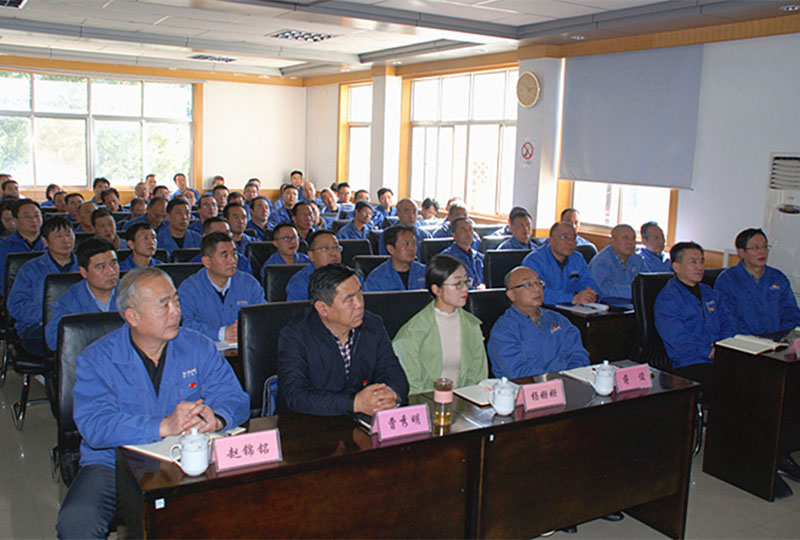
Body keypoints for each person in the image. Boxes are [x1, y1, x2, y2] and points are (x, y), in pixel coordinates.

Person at [56, 267, 250, 538]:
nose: (176, 312)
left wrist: (217, 418)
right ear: (132, 317)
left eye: (176, 301)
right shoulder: (97, 359)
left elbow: (235, 398)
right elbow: (96, 425)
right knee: (76, 524)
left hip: (188, 457)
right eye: (164, 305)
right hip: (115, 464)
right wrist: (162, 426)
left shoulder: (198, 346)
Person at [277, 263, 409, 416]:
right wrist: (354, 403)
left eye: (360, 294)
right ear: (323, 308)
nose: (359, 304)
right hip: (308, 422)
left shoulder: (373, 325)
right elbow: (296, 397)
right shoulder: (294, 336)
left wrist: (390, 395)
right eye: (349, 299)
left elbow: (395, 374)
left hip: (361, 418)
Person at [392, 254, 487, 394]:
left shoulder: (472, 325)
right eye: (457, 284)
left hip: (465, 401)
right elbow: (412, 387)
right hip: (426, 402)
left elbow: (478, 377)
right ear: (436, 289)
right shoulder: (413, 332)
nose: (465, 289)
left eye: (466, 282)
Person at [654, 241, 736, 389]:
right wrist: (708, 351)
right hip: (690, 362)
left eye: (702, 261)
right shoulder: (668, 298)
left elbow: (728, 321)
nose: (700, 267)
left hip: (720, 355)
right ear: (676, 267)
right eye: (693, 262)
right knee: (728, 383)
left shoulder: (709, 292)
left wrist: (724, 346)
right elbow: (678, 340)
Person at [488, 266, 589, 378]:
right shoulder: (504, 330)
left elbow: (578, 354)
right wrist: (554, 380)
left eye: (539, 283)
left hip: (569, 381)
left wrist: (573, 376)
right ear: (512, 295)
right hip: (527, 386)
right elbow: (518, 372)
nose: (537, 289)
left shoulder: (557, 319)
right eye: (528, 284)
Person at [8, 215, 78, 355]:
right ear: (45, 242)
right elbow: (16, 305)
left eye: (68, 234)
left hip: (77, 325)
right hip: (37, 326)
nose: (66, 240)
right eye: (58, 236)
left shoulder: (86, 267)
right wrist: (49, 315)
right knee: (66, 341)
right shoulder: (30, 269)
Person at [178, 231, 265, 342]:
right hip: (204, 349)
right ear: (207, 262)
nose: (232, 260)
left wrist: (247, 328)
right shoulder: (189, 289)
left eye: (234, 254)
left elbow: (263, 316)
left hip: (244, 347)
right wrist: (221, 333)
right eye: (225, 256)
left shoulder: (249, 283)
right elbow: (185, 326)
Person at [714, 228, 800, 336]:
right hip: (743, 341)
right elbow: (728, 318)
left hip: (777, 340)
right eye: (756, 248)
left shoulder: (778, 277)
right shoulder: (727, 281)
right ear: (741, 252)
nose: (762, 252)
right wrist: (754, 340)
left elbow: (791, 312)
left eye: (765, 246)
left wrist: (781, 336)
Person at [45, 238, 120, 351]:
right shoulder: (68, 301)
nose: (111, 272)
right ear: (84, 272)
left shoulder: (132, 293)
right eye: (101, 267)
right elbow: (53, 340)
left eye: (113, 264)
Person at [522, 222, 598, 305]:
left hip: (573, 307)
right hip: (542, 308)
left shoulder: (577, 258)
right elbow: (535, 292)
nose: (570, 242)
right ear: (551, 240)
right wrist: (572, 298)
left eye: (574, 238)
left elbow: (587, 281)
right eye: (564, 237)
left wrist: (589, 294)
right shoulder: (534, 261)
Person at [588, 223, 644, 302]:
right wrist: (636, 291)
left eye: (633, 239)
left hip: (634, 303)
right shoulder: (600, 262)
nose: (630, 242)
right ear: (612, 241)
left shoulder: (637, 259)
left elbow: (647, 281)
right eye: (625, 238)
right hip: (608, 305)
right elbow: (603, 290)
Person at [0, 199, 45, 291]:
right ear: (15, 220)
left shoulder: (54, 243)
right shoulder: (3, 247)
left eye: (37, 215)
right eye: (26, 216)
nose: (33, 220)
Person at [365, 225, 426, 292]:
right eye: (405, 244)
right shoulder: (376, 278)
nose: (412, 248)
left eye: (414, 244)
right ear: (391, 249)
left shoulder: (425, 272)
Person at [286, 230, 342, 302]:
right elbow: (301, 309)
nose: (333, 253)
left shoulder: (350, 276)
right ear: (311, 255)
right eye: (325, 248)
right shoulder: (299, 283)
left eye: (336, 247)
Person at [440, 216, 485, 289]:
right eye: (463, 229)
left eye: (470, 229)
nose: (468, 233)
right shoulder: (446, 258)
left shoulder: (480, 257)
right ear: (454, 235)